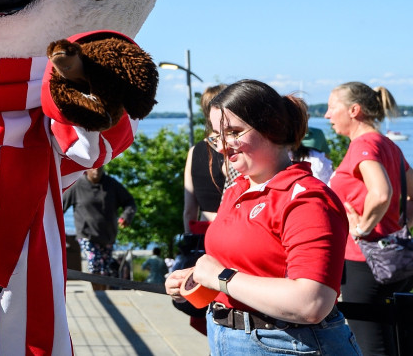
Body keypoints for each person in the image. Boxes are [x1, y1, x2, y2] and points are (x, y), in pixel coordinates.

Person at [165, 80, 358, 355]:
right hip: (227, 337)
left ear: (271, 127)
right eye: (217, 136)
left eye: (233, 132)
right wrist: (198, 277)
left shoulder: (307, 198)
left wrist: (219, 277)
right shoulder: (237, 189)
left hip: (288, 344)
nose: (222, 147)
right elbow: (245, 267)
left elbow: (312, 303)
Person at [326, 82, 413, 356]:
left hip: (364, 262)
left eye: (331, 107)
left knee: (370, 346)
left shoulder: (363, 144)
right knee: (391, 341)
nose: (327, 115)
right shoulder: (389, 145)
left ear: (354, 110)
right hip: (391, 258)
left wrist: (363, 227)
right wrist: (398, 225)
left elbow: (382, 192)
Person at [64, 166, 135, 291]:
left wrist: (126, 217)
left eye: (99, 168)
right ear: (87, 170)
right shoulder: (77, 186)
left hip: (107, 236)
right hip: (87, 235)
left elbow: (129, 202)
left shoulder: (111, 184)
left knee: (105, 270)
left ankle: (103, 291)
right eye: (93, 168)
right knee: (94, 266)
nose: (96, 171)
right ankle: (98, 292)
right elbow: (60, 207)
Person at [183, 84, 228, 235]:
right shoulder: (234, 150)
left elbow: (189, 210)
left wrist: (189, 240)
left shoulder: (193, 151)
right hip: (228, 229)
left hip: (203, 231)